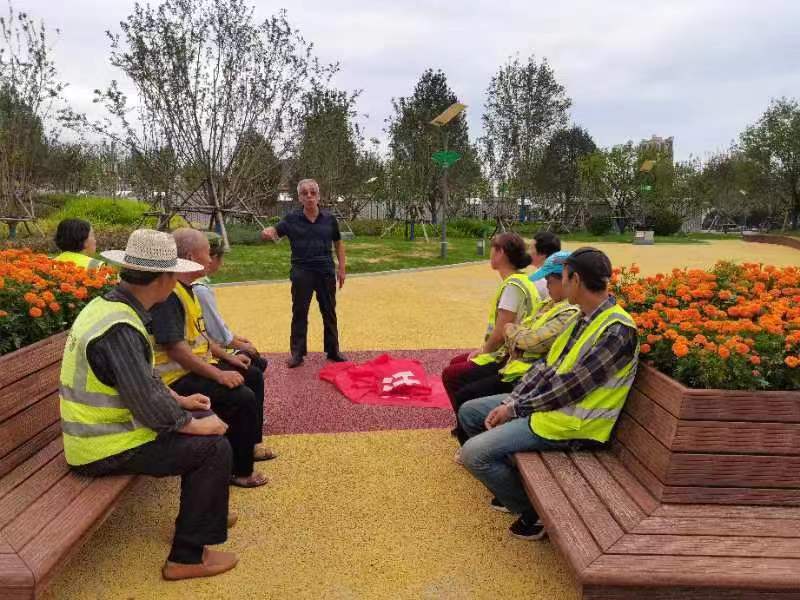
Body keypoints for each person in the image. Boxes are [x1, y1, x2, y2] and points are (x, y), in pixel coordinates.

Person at [60, 228, 238, 580]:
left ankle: (204, 513)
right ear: (164, 278)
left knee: (201, 418)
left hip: (99, 438)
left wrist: (181, 400)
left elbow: (140, 379)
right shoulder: (121, 327)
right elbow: (147, 402)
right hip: (104, 448)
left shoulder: (110, 308)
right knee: (213, 448)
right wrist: (194, 424)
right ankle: (187, 557)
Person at [458, 247, 639, 540]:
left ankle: (533, 512)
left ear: (576, 280)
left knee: (473, 454)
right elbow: (546, 367)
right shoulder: (584, 318)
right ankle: (517, 489)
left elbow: (570, 387)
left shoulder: (617, 330)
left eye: (563, 278)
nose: (557, 285)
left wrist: (515, 409)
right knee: (470, 412)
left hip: (574, 427)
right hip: (551, 414)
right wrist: (512, 400)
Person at [149, 228, 270, 488]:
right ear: (192, 257)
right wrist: (219, 374)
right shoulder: (170, 295)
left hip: (191, 368)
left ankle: (249, 446)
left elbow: (200, 337)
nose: (211, 257)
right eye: (207, 252)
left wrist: (228, 358)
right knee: (241, 397)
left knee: (252, 375)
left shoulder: (187, 289)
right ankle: (240, 471)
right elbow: (176, 349)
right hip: (174, 379)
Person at [450, 251, 579, 449]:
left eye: (549, 280)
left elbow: (530, 340)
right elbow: (522, 331)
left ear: (566, 280)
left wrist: (512, 336)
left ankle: (476, 445)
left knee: (464, 393)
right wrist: (516, 339)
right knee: (461, 383)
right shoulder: (551, 303)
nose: (546, 285)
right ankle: (474, 442)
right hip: (518, 368)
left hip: (525, 375)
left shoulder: (568, 311)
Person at [442, 233, 544, 425]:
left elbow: (500, 333)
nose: (490, 254)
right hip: (514, 350)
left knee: (451, 375)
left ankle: (468, 425)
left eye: (492, 249)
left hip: (507, 356)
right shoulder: (524, 280)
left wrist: (483, 351)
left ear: (501, 252)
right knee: (457, 363)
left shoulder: (513, 286)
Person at [260, 178, 347, 368]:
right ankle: (297, 353)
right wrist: (268, 232)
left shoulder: (330, 219)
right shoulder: (291, 219)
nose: (309, 196)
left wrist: (342, 268)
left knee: (329, 311)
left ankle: (333, 350)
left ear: (319, 196)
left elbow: (338, 243)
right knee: (299, 312)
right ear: (299, 197)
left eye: (313, 192)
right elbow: (274, 231)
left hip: (325, 271)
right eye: (304, 193)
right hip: (302, 272)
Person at [193, 232, 268, 372]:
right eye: (220, 258)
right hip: (203, 353)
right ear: (213, 258)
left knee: (255, 361)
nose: (221, 262)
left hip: (205, 347)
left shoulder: (197, 285)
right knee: (255, 366)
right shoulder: (200, 290)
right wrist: (240, 346)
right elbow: (216, 334)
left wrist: (235, 339)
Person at [529, 231, 561, 300]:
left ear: (542, 254)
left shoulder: (537, 280)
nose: (528, 252)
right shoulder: (562, 272)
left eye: (531, 248)